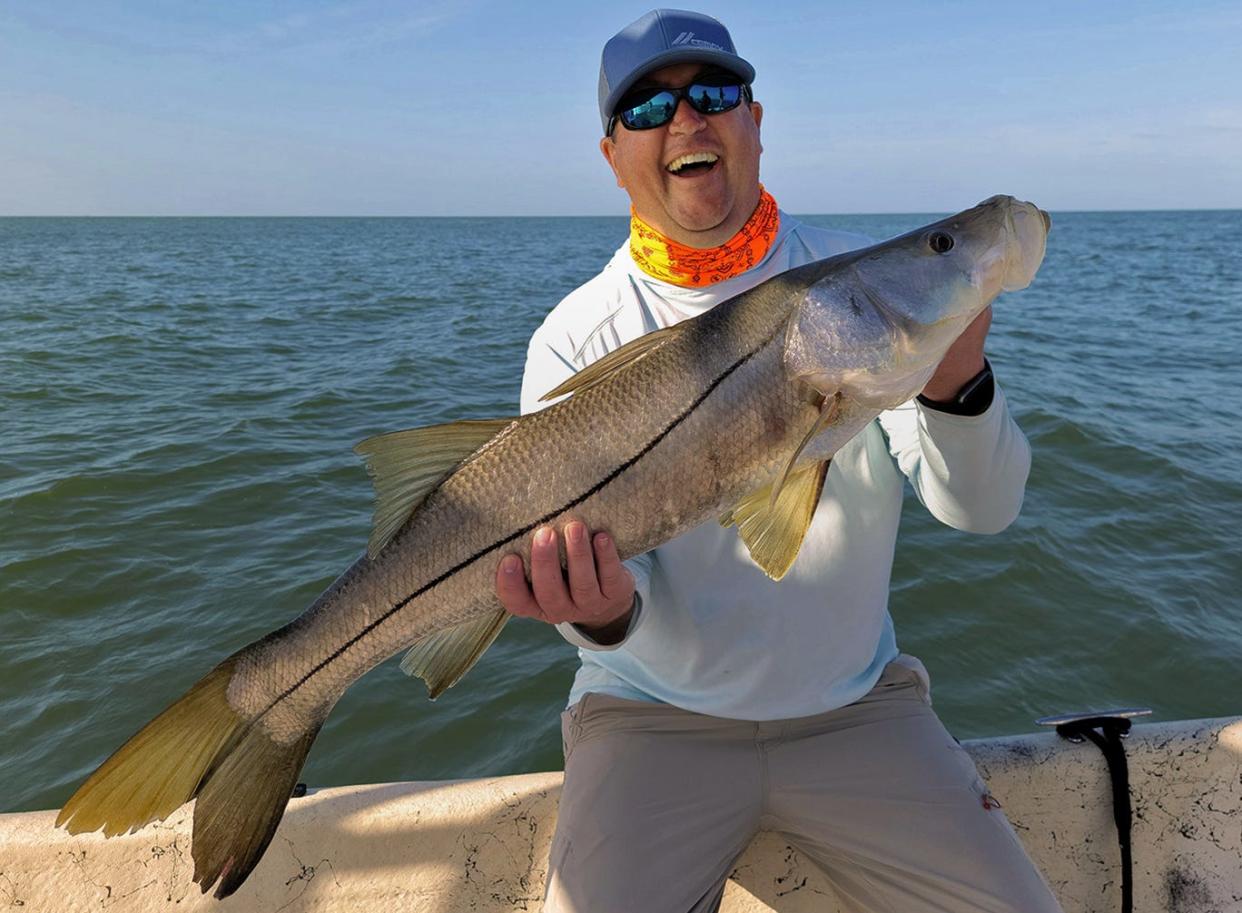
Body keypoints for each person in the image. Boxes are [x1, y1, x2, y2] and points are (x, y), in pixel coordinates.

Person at [494, 9, 1064, 913]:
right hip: (648, 716)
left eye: (714, 94)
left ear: (755, 121)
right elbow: (595, 591)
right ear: (612, 155)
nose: (686, 120)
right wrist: (599, 617)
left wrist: (959, 383)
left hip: (859, 708)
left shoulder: (854, 283)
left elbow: (982, 509)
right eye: (647, 108)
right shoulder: (574, 339)